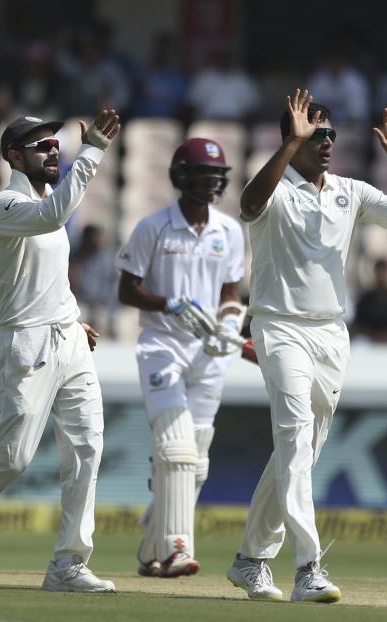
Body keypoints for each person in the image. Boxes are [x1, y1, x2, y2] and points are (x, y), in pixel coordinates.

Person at [227, 90, 387, 603]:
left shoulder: (350, 190)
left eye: (330, 135)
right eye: (315, 135)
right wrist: (287, 146)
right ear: (291, 139)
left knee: (299, 452)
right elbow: (249, 205)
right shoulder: (273, 186)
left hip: (330, 334)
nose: (326, 143)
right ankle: (307, 567)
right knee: (295, 437)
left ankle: (250, 559)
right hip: (278, 326)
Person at [0, 109, 121, 593]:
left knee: (87, 446)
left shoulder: (40, 203)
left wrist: (73, 321)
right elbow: (55, 214)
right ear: (15, 156)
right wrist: (93, 150)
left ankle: (68, 563)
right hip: (25, 343)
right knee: (12, 458)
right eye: (43, 146)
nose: (54, 149)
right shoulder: (4, 206)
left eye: (56, 144)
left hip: (68, 337)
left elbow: (46, 275)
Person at [116, 138, 245, 579]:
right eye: (204, 175)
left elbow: (231, 294)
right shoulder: (153, 227)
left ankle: (152, 545)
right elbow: (126, 290)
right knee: (175, 448)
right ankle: (175, 549)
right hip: (162, 347)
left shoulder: (229, 231)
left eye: (218, 176)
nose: (213, 183)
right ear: (181, 178)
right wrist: (169, 303)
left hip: (209, 353)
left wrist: (229, 325)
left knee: (198, 460)